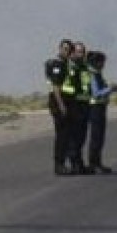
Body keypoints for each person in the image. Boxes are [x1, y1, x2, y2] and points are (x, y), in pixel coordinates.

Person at [85, 49, 117, 174]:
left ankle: (97, 162)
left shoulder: (97, 74)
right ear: (96, 62)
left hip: (100, 107)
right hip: (95, 108)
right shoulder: (93, 75)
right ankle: (94, 163)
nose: (103, 64)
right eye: (102, 62)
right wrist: (110, 89)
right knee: (96, 136)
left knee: (99, 137)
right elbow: (96, 93)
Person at [62, 41, 93, 174]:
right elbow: (64, 87)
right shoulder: (69, 68)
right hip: (74, 104)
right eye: (78, 52)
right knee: (74, 136)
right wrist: (74, 92)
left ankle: (79, 163)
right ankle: (74, 163)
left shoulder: (85, 68)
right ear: (73, 53)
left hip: (85, 104)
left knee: (82, 136)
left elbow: (89, 85)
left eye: (83, 52)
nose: (81, 54)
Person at [44, 39, 75, 175]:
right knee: (62, 135)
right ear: (60, 48)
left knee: (67, 135)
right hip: (58, 103)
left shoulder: (66, 65)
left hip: (66, 101)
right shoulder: (57, 65)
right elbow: (56, 87)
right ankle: (59, 165)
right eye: (64, 48)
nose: (66, 51)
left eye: (69, 49)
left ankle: (65, 164)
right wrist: (61, 105)